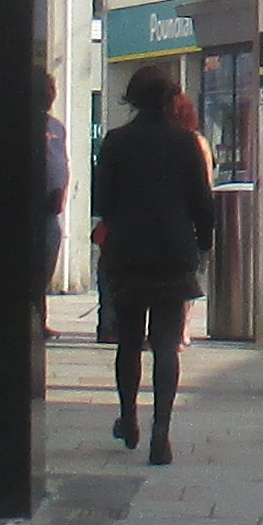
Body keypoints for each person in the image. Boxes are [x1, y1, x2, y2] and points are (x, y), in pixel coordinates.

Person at [92, 77, 220, 459]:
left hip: (127, 253)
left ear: (131, 99)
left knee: (129, 341)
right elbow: (203, 203)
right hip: (173, 253)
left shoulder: (116, 141)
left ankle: (129, 417)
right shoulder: (185, 143)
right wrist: (203, 244)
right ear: (169, 99)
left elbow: (102, 200)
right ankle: (161, 432)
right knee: (166, 344)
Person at [41, 71, 71, 293]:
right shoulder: (18, 125)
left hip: (51, 213)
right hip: (26, 214)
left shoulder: (56, 128)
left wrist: (63, 196)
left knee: (43, 275)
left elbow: (63, 164)